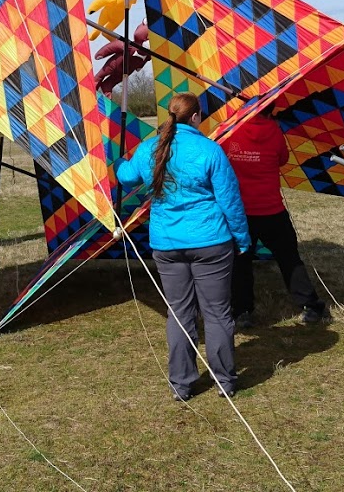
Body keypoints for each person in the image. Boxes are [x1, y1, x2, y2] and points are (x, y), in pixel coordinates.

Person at [118, 93, 249, 401]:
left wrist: (122, 162)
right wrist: (242, 239)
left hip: (168, 244)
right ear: (196, 116)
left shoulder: (150, 148)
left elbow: (126, 177)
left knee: (179, 313)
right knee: (217, 313)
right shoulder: (210, 150)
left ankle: (181, 383)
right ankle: (224, 380)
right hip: (211, 242)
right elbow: (230, 201)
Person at [224, 107, 331, 328]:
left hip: (241, 213)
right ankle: (311, 305)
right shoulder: (274, 131)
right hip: (272, 210)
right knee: (289, 259)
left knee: (241, 262)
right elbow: (283, 159)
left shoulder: (232, 131)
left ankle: (241, 311)